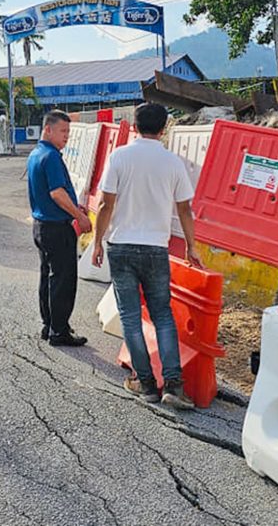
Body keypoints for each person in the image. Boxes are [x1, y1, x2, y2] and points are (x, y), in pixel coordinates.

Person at [91, 103, 201, 409]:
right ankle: (174, 385)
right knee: (163, 315)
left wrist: (98, 242)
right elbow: (184, 210)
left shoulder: (120, 156)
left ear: (134, 126)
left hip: (122, 245)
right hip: (156, 248)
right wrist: (192, 247)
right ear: (164, 128)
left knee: (130, 316)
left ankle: (145, 383)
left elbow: (105, 205)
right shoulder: (173, 163)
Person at [27, 110, 92, 347]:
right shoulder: (52, 156)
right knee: (63, 280)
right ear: (48, 129)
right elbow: (56, 193)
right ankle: (60, 330)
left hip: (42, 227)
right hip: (56, 227)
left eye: (69, 132)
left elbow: (52, 191)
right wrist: (79, 217)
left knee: (49, 277)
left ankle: (49, 324)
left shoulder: (37, 153)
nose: (67, 136)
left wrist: (75, 205)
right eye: (63, 131)